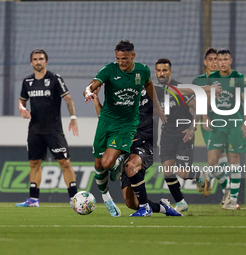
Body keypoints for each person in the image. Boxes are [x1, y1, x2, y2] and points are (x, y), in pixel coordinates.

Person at [83, 40, 165, 217]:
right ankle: (107, 199)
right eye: (118, 58)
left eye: (125, 59)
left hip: (126, 125)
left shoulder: (142, 71)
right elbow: (91, 86)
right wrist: (89, 92)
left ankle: (117, 160)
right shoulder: (109, 70)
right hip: (106, 121)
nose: (121, 62)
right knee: (99, 164)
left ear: (133, 56)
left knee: (106, 163)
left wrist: (156, 105)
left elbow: (149, 84)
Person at [92, 86, 181, 217]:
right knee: (132, 203)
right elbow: (105, 118)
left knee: (131, 166)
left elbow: (180, 91)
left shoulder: (152, 92)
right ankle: (163, 207)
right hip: (128, 148)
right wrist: (96, 99)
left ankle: (145, 208)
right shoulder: (120, 99)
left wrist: (205, 89)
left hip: (147, 144)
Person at [16, 49, 79, 207]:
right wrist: (22, 110)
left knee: (65, 163)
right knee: (34, 164)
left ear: (46, 61)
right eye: (35, 59)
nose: (38, 62)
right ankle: (33, 199)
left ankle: (74, 198)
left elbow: (68, 99)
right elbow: (22, 101)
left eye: (41, 59)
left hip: (54, 130)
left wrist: (73, 117)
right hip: (35, 130)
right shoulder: (27, 82)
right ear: (31, 62)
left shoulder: (55, 79)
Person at [205, 48, 246, 210]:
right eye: (219, 59)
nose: (222, 63)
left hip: (235, 124)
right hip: (217, 124)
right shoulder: (212, 77)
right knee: (212, 161)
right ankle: (209, 175)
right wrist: (205, 117)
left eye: (225, 59)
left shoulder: (238, 78)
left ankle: (232, 200)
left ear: (230, 61)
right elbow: (208, 98)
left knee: (234, 159)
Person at [154, 58, 199, 213]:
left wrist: (193, 128)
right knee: (167, 170)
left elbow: (196, 106)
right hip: (167, 134)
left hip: (183, 133)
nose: (161, 73)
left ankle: (200, 175)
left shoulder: (180, 88)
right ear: (155, 72)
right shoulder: (156, 91)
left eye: (165, 70)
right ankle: (180, 202)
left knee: (182, 173)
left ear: (170, 72)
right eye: (159, 70)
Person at [192, 48, 230, 204]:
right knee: (215, 162)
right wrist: (205, 116)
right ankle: (227, 190)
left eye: (217, 59)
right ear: (205, 62)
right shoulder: (199, 80)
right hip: (209, 123)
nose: (214, 62)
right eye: (211, 59)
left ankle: (209, 177)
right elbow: (197, 99)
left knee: (223, 160)